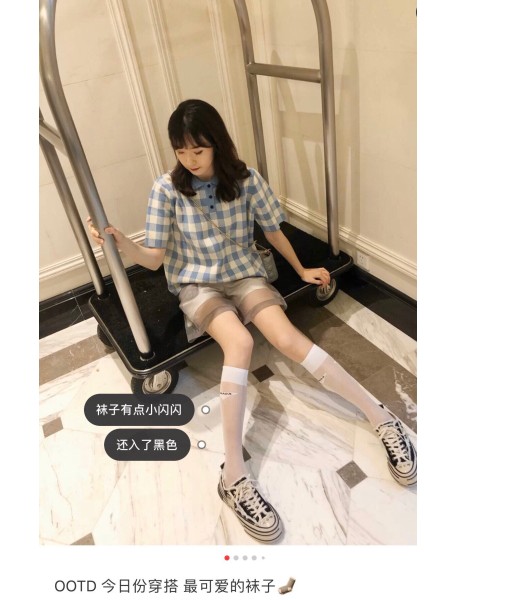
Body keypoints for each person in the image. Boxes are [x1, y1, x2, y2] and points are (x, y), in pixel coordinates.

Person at [88, 98, 417, 543]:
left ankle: (382, 418)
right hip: (198, 285)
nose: (190, 159)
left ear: (217, 143)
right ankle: (234, 476)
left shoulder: (246, 180)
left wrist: (301, 269)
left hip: (245, 274)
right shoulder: (166, 189)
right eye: (181, 151)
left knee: (288, 338)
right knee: (239, 344)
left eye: (198, 150)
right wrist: (119, 242)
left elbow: (273, 230)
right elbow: (154, 259)